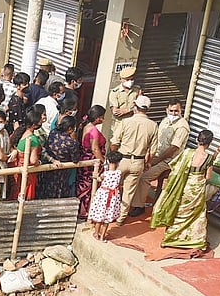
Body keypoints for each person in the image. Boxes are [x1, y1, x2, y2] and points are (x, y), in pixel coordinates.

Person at [150, 130, 215, 250]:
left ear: (197, 140)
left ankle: (170, 238)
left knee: (179, 210)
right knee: (195, 213)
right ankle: (191, 239)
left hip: (183, 185)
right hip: (197, 187)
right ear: (210, 143)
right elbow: (208, 177)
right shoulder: (209, 158)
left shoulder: (187, 153)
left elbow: (174, 166)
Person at [130, 99, 190, 217]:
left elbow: (173, 148)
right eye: (171, 110)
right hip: (156, 155)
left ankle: (139, 206)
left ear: (180, 111)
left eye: (176, 111)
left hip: (169, 161)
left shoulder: (182, 126)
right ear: (167, 110)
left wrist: (155, 161)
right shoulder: (165, 121)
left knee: (144, 177)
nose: (173, 113)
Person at [109, 95, 158, 225]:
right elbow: (153, 150)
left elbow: (114, 142)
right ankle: (121, 218)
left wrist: (112, 156)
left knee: (112, 186)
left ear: (135, 107)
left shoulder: (125, 122)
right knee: (128, 192)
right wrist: (148, 163)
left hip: (121, 159)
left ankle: (108, 213)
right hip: (138, 162)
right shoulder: (153, 126)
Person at [37, 117, 81, 199]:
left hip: (47, 167)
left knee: (44, 190)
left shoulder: (53, 132)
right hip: (61, 173)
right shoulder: (71, 143)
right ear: (70, 128)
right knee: (57, 193)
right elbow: (75, 159)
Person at [77, 106, 107, 218]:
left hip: (84, 159)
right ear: (98, 118)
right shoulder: (93, 131)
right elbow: (95, 149)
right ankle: (85, 211)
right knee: (89, 187)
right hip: (91, 163)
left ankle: (83, 210)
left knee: (83, 185)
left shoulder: (84, 125)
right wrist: (104, 161)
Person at [88, 151, 124, 241]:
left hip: (103, 195)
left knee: (100, 214)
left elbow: (99, 178)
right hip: (113, 196)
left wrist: (96, 176)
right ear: (118, 162)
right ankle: (103, 236)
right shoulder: (119, 173)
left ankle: (96, 233)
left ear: (107, 160)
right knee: (107, 216)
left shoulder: (105, 174)